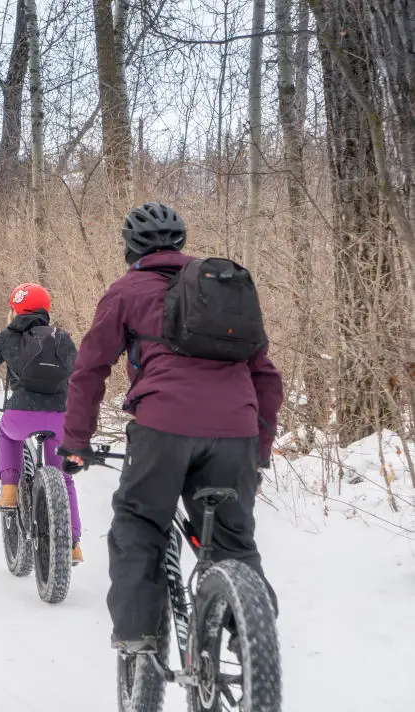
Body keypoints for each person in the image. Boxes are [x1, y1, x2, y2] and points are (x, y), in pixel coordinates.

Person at [58, 202, 283, 654]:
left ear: (129, 247)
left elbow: (89, 369)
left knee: (140, 522)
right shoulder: (224, 290)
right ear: (180, 242)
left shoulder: (125, 291)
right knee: (233, 539)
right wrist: (259, 446)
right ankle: (253, 645)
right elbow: (266, 376)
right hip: (236, 432)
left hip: (163, 427)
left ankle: (140, 636)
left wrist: (76, 442)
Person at [0, 283, 85, 563]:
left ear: (15, 308)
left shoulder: (8, 336)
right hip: (61, 416)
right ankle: (73, 544)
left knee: (6, 433)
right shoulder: (62, 338)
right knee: (64, 477)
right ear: (45, 309)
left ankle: (10, 489)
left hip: (21, 414)